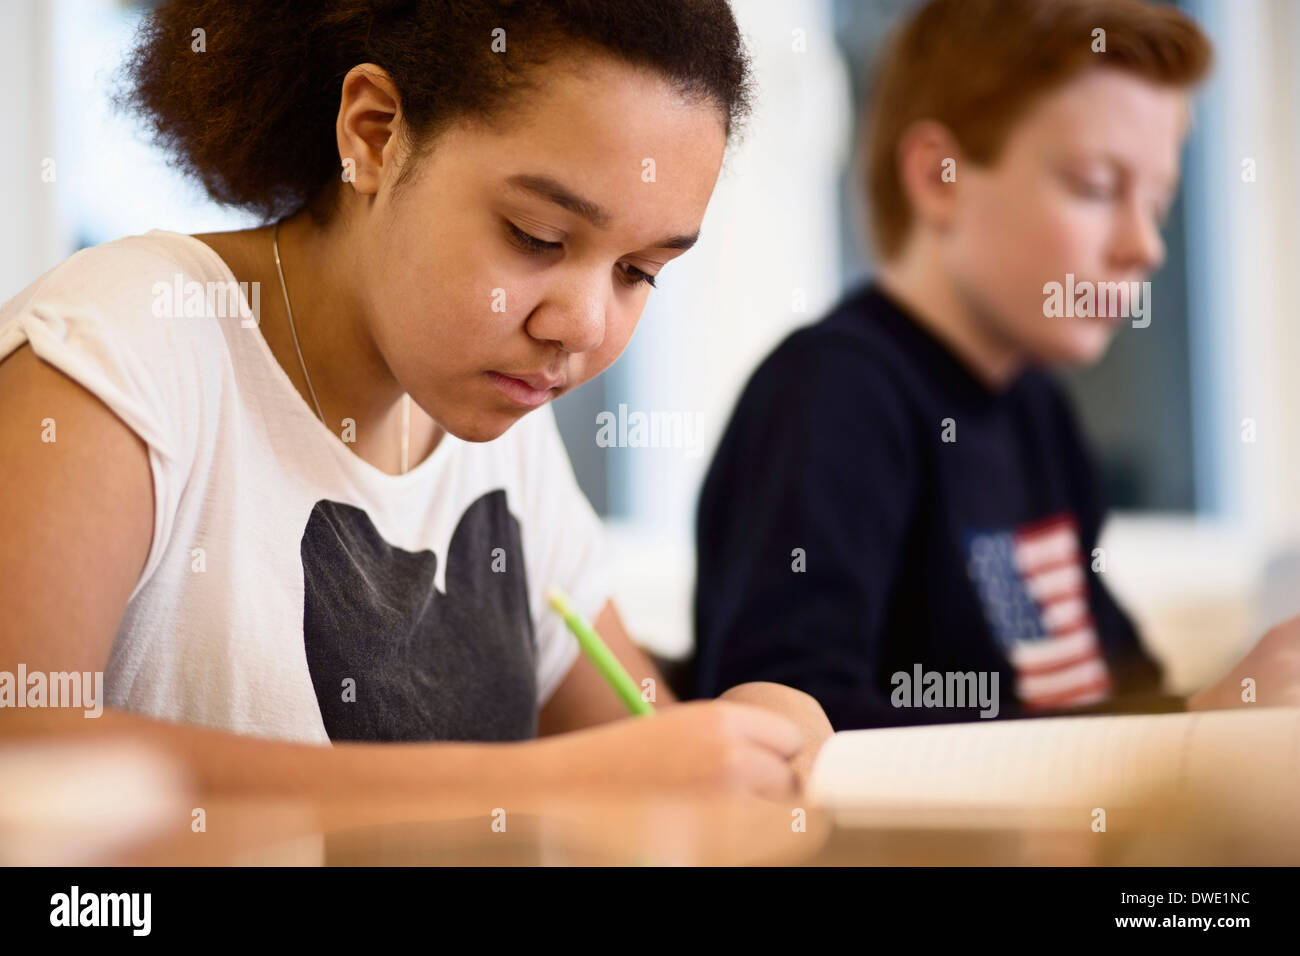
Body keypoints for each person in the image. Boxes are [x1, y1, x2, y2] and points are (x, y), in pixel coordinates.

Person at [0, 0, 832, 802]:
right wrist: (552, 780)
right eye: (536, 236)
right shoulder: (126, 347)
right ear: (374, 134)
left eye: (638, 272)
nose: (580, 327)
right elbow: (23, 752)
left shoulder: (501, 435)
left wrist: (752, 741)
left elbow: (647, 758)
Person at [694, 0, 1300, 729]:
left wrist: (1214, 718)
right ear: (940, 177)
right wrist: (1190, 726)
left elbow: (1120, 701)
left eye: (1159, 205)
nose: (1147, 247)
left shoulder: (1037, 411)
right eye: (1097, 187)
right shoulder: (833, 393)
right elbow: (782, 724)